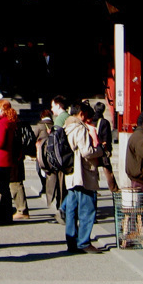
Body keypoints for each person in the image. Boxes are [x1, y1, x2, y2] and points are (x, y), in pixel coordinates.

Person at [62, 101, 105, 253]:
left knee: (71, 210)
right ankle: (84, 242)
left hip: (71, 173)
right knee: (87, 208)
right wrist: (99, 150)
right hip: (83, 173)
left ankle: (71, 242)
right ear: (81, 114)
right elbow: (87, 151)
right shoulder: (79, 128)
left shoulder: (66, 126)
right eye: (87, 117)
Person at [92, 102, 120, 193]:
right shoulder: (104, 122)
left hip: (93, 148)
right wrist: (109, 148)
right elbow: (107, 137)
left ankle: (94, 189)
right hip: (103, 148)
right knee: (108, 170)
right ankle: (114, 188)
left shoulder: (91, 120)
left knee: (93, 170)